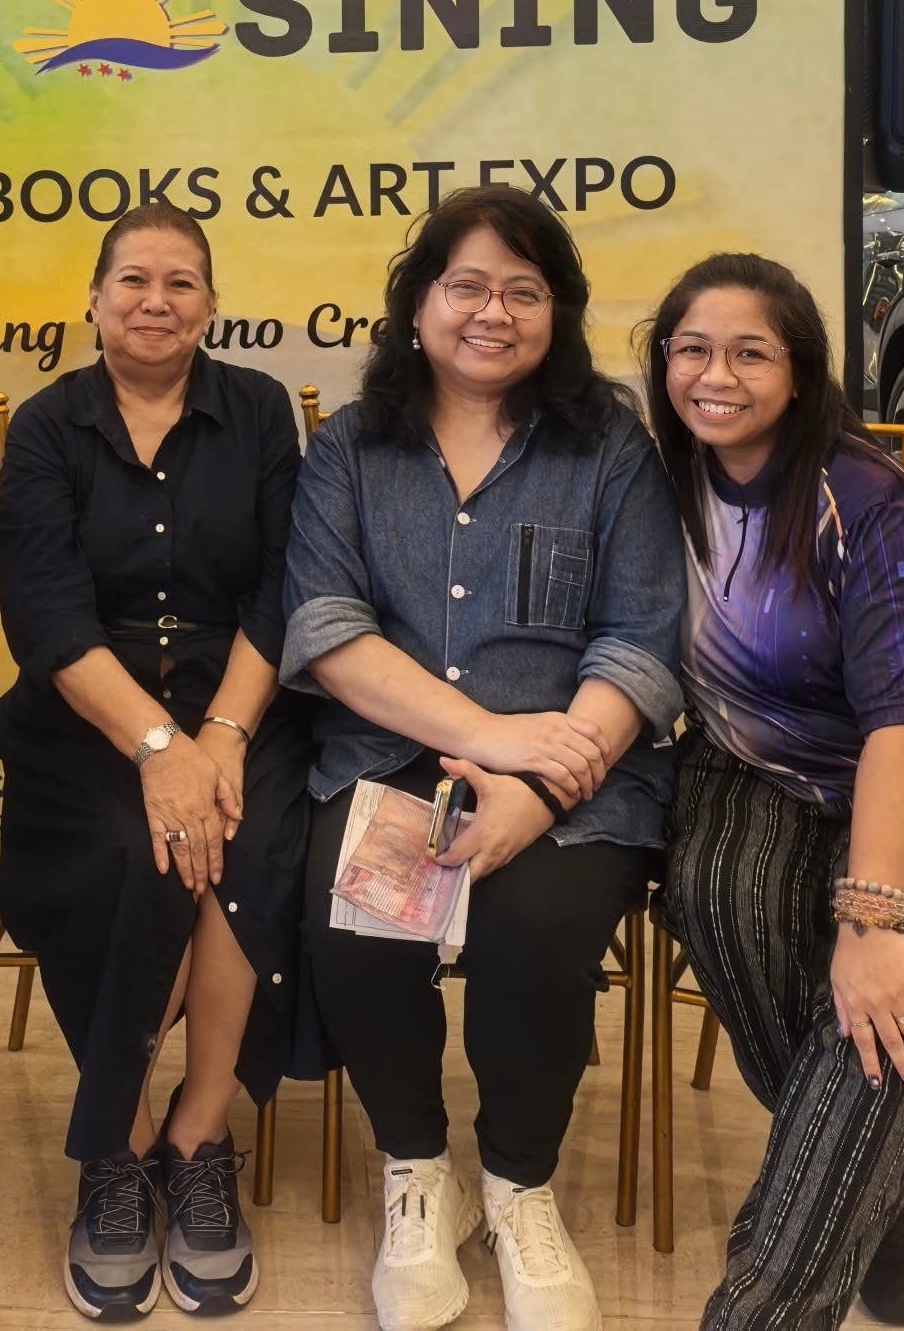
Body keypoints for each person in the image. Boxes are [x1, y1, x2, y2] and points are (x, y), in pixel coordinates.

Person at [283, 186, 685, 1331]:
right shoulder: (350, 445)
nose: (492, 311)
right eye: (466, 285)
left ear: (557, 311)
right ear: (418, 304)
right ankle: (419, 1168)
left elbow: (640, 640)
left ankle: (517, 1180)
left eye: (524, 289)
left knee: (537, 926)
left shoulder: (610, 445)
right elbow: (327, 629)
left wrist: (542, 783)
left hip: (578, 770)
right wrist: (486, 737)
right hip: (395, 751)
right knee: (353, 916)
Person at [644, 251, 904, 1329]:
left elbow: (902, 726)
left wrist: (874, 919)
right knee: (718, 897)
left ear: (800, 371)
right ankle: (891, 1174)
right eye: (693, 349)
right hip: (750, 762)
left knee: (881, 1014)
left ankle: (763, 1307)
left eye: (751, 353)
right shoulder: (663, 477)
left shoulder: (868, 500)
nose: (716, 376)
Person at [0, 202, 313, 1319]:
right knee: (135, 853)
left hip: (240, 702)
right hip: (89, 718)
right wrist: (158, 746)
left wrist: (219, 734)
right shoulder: (47, 427)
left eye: (181, 282)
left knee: (253, 847)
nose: (156, 301)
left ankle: (191, 1133)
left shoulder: (259, 410)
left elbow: (284, 589)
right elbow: (45, 614)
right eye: (133, 280)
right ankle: (119, 1150)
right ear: (93, 299)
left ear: (212, 304)